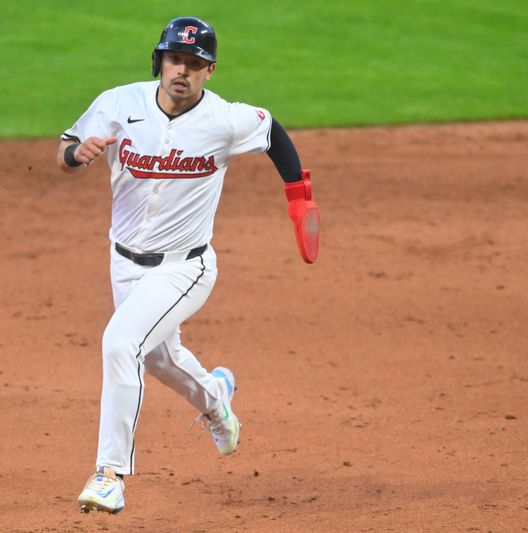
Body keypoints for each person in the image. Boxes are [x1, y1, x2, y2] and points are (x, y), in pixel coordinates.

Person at [56, 16, 320, 514]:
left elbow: (273, 131)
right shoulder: (119, 104)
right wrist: (75, 154)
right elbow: (64, 151)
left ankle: (108, 474)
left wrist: (298, 196)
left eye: (195, 64)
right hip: (124, 263)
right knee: (156, 357)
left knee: (120, 343)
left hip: (186, 268)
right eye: (176, 58)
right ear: (160, 60)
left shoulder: (224, 120)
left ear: (209, 71)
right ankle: (216, 397)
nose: (183, 70)